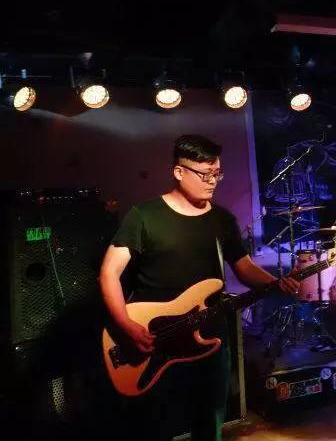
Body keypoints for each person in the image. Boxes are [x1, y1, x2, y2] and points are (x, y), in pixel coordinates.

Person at [98, 134, 298, 441]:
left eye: (217, 173)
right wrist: (126, 325)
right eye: (204, 174)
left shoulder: (222, 220)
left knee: (208, 424)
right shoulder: (144, 216)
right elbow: (109, 273)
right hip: (155, 340)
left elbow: (243, 267)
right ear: (179, 172)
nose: (212, 181)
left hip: (210, 338)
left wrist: (274, 283)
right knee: (156, 427)